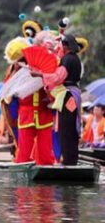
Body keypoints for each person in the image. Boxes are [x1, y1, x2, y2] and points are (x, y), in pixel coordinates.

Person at [34, 35, 82, 165]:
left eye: (60, 45)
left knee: (66, 128)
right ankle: (71, 160)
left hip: (68, 96)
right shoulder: (75, 58)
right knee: (70, 128)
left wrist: (39, 74)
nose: (58, 47)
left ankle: (68, 161)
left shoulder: (67, 59)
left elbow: (57, 78)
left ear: (65, 46)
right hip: (72, 94)